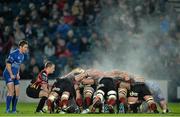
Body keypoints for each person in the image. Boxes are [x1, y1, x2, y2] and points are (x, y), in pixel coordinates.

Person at [3, 40, 28, 113]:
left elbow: (18, 65)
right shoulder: (13, 53)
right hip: (8, 74)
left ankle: (13, 110)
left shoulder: (22, 55)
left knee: (17, 93)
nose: (26, 49)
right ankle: (7, 110)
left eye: (27, 47)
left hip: (15, 74)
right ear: (21, 47)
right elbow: (8, 65)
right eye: (25, 47)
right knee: (11, 92)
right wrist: (11, 74)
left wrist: (18, 74)